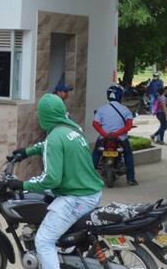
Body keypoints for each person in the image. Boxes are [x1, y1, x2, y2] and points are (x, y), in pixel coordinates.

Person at [9, 94, 104, 269]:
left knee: (43, 240)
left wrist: (23, 185)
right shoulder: (72, 128)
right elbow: (48, 145)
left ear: (44, 115)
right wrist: (27, 152)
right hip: (90, 191)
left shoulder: (54, 138)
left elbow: (51, 179)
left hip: (77, 198)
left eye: (40, 114)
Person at [92, 84, 138, 186]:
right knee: (128, 154)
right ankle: (131, 179)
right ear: (120, 96)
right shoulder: (125, 109)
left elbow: (95, 124)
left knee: (96, 154)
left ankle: (88, 178)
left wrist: (105, 134)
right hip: (121, 138)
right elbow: (129, 125)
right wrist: (116, 133)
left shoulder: (101, 109)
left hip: (104, 138)